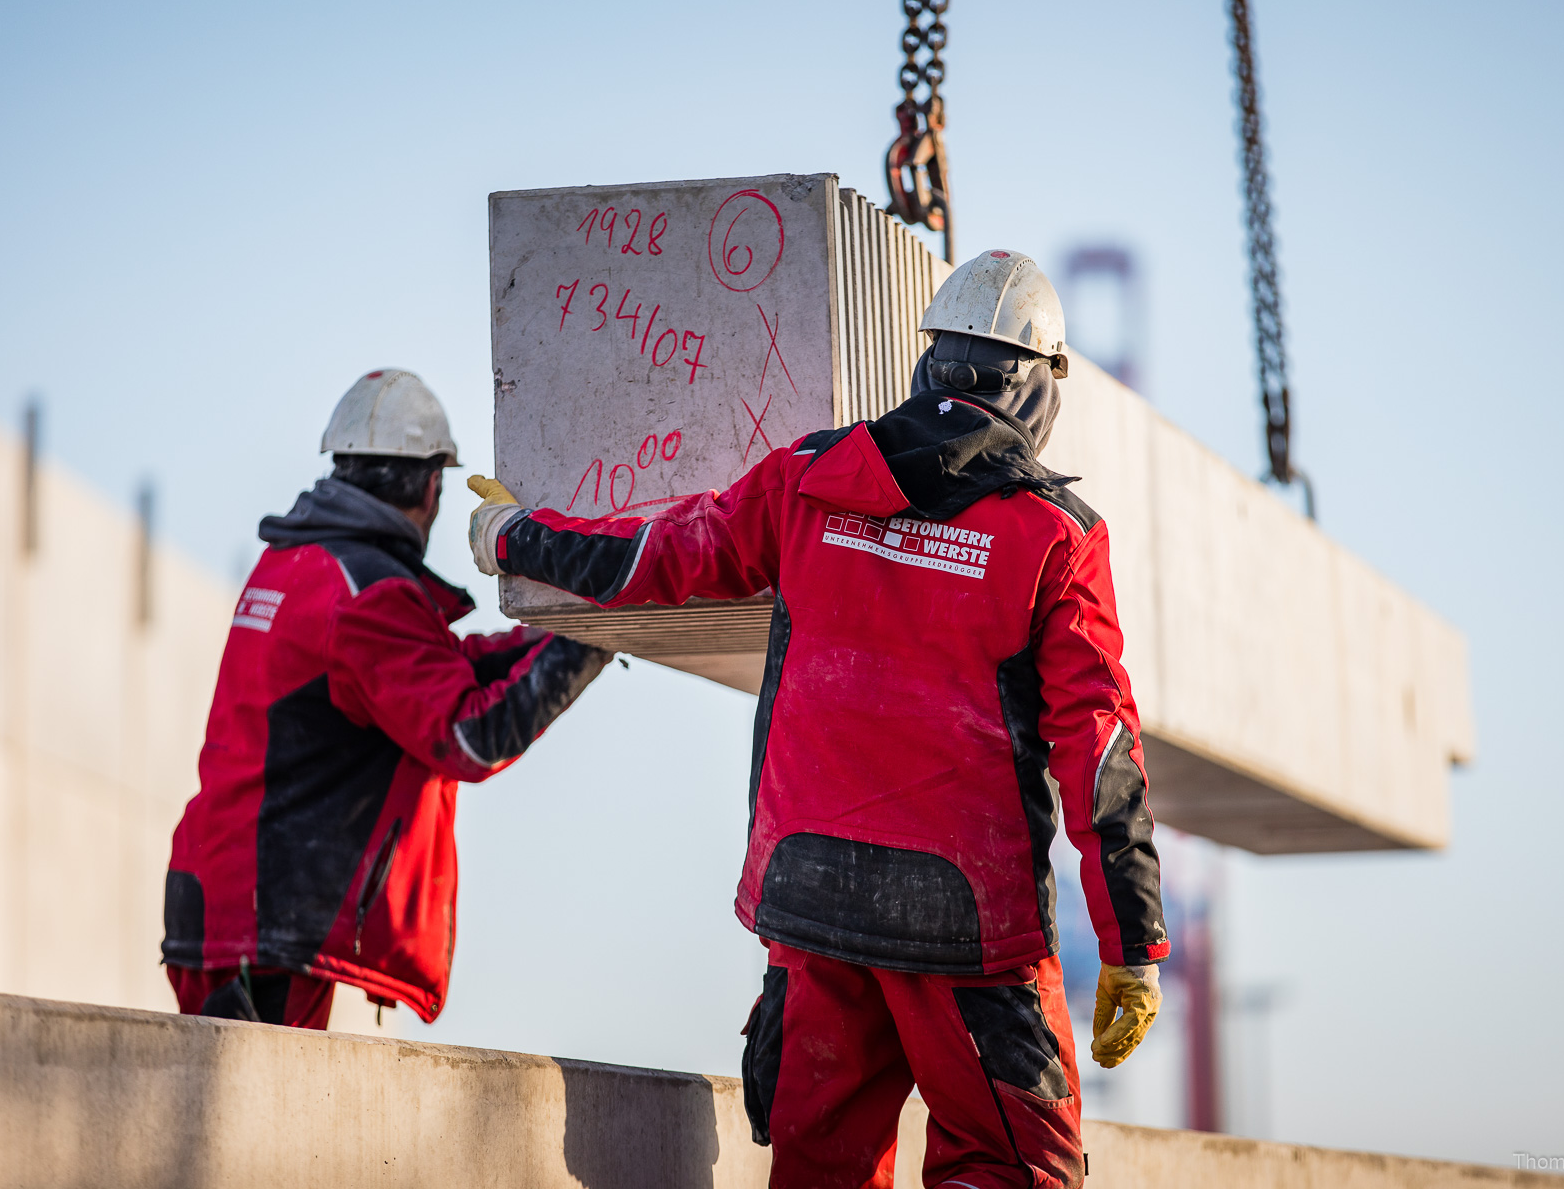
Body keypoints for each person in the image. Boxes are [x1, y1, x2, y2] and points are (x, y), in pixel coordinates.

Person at [467, 252, 1169, 1189]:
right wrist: (1132, 947)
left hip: (808, 898)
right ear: (1040, 386)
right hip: (968, 927)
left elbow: (658, 557)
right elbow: (1100, 750)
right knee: (1014, 1171)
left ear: (930, 365)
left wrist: (514, 537)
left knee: (818, 1173)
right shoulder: (1056, 538)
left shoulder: (809, 476)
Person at [163, 369, 608, 1029]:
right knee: (272, 1129)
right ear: (432, 485)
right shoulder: (370, 594)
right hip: (267, 928)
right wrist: (600, 629)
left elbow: (439, 668)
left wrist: (566, 632)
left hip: (229, 906)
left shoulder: (299, 563)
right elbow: (471, 736)